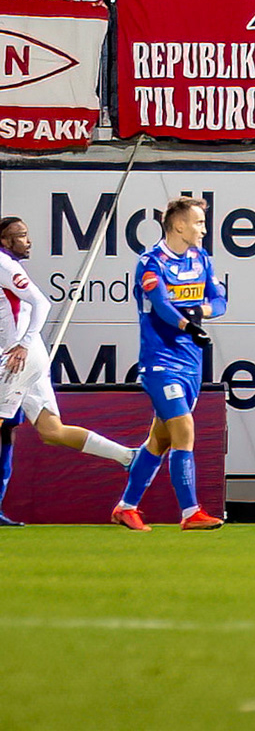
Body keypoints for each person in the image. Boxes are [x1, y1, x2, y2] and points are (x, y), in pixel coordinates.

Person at [0, 217, 138, 526]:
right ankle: (129, 457)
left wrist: (23, 343)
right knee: (52, 431)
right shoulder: (7, 266)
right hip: (29, 356)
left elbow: (42, 303)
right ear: (5, 241)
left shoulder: (4, 265)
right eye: (21, 236)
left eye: (24, 234)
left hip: (19, 358)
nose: (28, 241)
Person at [112, 197, 228, 532]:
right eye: (198, 223)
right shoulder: (151, 262)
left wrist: (199, 312)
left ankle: (126, 507)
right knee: (184, 428)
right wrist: (188, 325)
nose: (203, 230)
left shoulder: (200, 258)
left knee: (159, 440)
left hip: (191, 361)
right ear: (178, 225)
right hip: (160, 361)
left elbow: (220, 301)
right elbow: (161, 306)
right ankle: (191, 512)